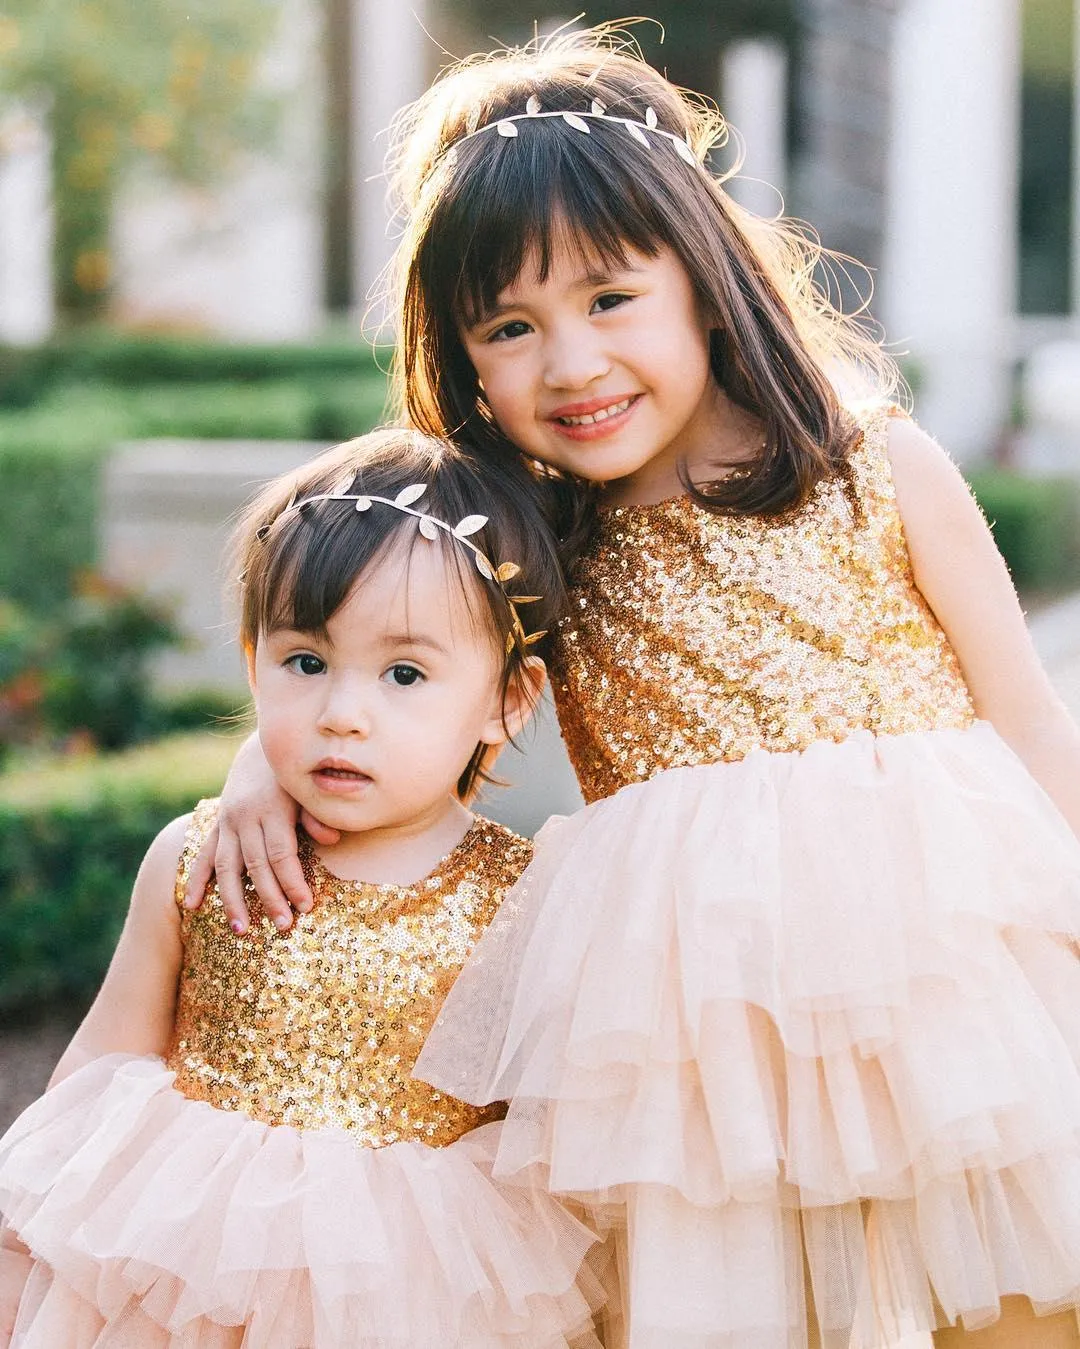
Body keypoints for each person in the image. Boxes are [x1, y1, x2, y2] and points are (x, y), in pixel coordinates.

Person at [186, 25, 1080, 1349]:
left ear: (704, 280)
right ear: (467, 360)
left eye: (609, 298)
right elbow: (373, 652)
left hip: (938, 978)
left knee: (1019, 1296)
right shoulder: (527, 535)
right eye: (512, 325)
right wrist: (260, 761)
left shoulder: (875, 468)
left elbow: (1029, 723)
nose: (572, 364)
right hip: (689, 1028)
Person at [0, 428, 604, 1348]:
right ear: (253, 661)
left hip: (416, 1291)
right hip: (182, 1271)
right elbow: (98, 1070)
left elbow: (548, 1137)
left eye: (404, 673)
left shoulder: (524, 901)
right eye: (306, 662)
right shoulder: (194, 856)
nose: (342, 714)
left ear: (507, 700)